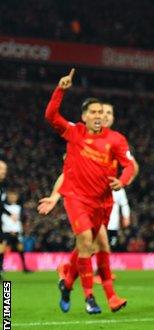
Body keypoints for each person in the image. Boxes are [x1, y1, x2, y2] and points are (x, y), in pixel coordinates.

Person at [43, 69, 137, 314]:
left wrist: (122, 181)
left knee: (88, 247)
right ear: (84, 116)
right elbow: (51, 115)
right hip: (76, 198)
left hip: (102, 203)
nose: (98, 116)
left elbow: (130, 166)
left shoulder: (116, 140)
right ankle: (90, 298)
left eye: (101, 112)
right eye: (93, 112)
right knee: (87, 242)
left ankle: (67, 281)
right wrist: (60, 89)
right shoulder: (75, 133)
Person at [0, 161, 31, 277]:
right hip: (6, 229)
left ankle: (22, 267)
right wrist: (9, 214)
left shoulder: (3, 189)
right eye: (2, 169)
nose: (4, 172)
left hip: (12, 230)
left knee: (6, 247)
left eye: (5, 170)